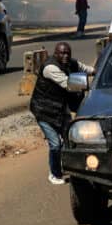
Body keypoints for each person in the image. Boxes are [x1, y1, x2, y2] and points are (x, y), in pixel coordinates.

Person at [29, 42, 94, 185]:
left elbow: (86, 69)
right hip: (44, 110)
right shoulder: (50, 68)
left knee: (70, 138)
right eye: (62, 53)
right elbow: (69, 84)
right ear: (55, 53)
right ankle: (54, 173)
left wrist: (99, 72)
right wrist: (94, 85)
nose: (65, 56)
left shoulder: (71, 63)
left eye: (67, 53)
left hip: (60, 108)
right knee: (55, 144)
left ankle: (69, 167)